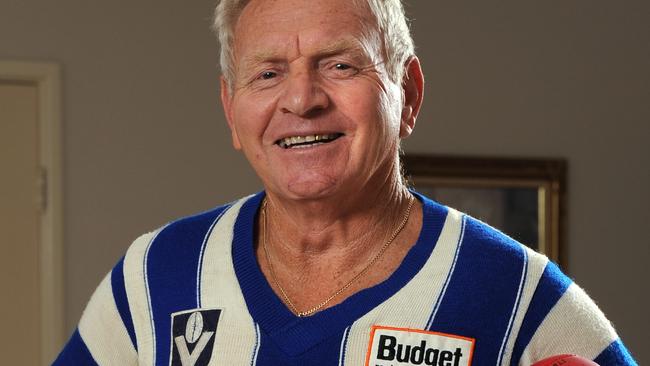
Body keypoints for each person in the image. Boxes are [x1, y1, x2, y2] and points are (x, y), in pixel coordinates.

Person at [54, 0, 637, 365]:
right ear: (231, 110)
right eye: (268, 73)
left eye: (340, 64)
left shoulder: (519, 294)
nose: (302, 100)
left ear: (407, 94)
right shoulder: (155, 276)